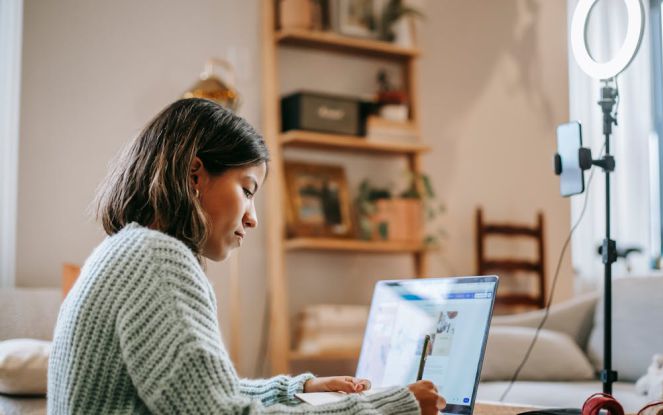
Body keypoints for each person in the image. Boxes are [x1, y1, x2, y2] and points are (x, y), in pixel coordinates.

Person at [47, 98, 445, 414]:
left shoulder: (125, 251)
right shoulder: (157, 260)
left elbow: (198, 395)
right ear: (194, 174)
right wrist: (391, 406)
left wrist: (297, 390)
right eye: (248, 189)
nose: (253, 218)